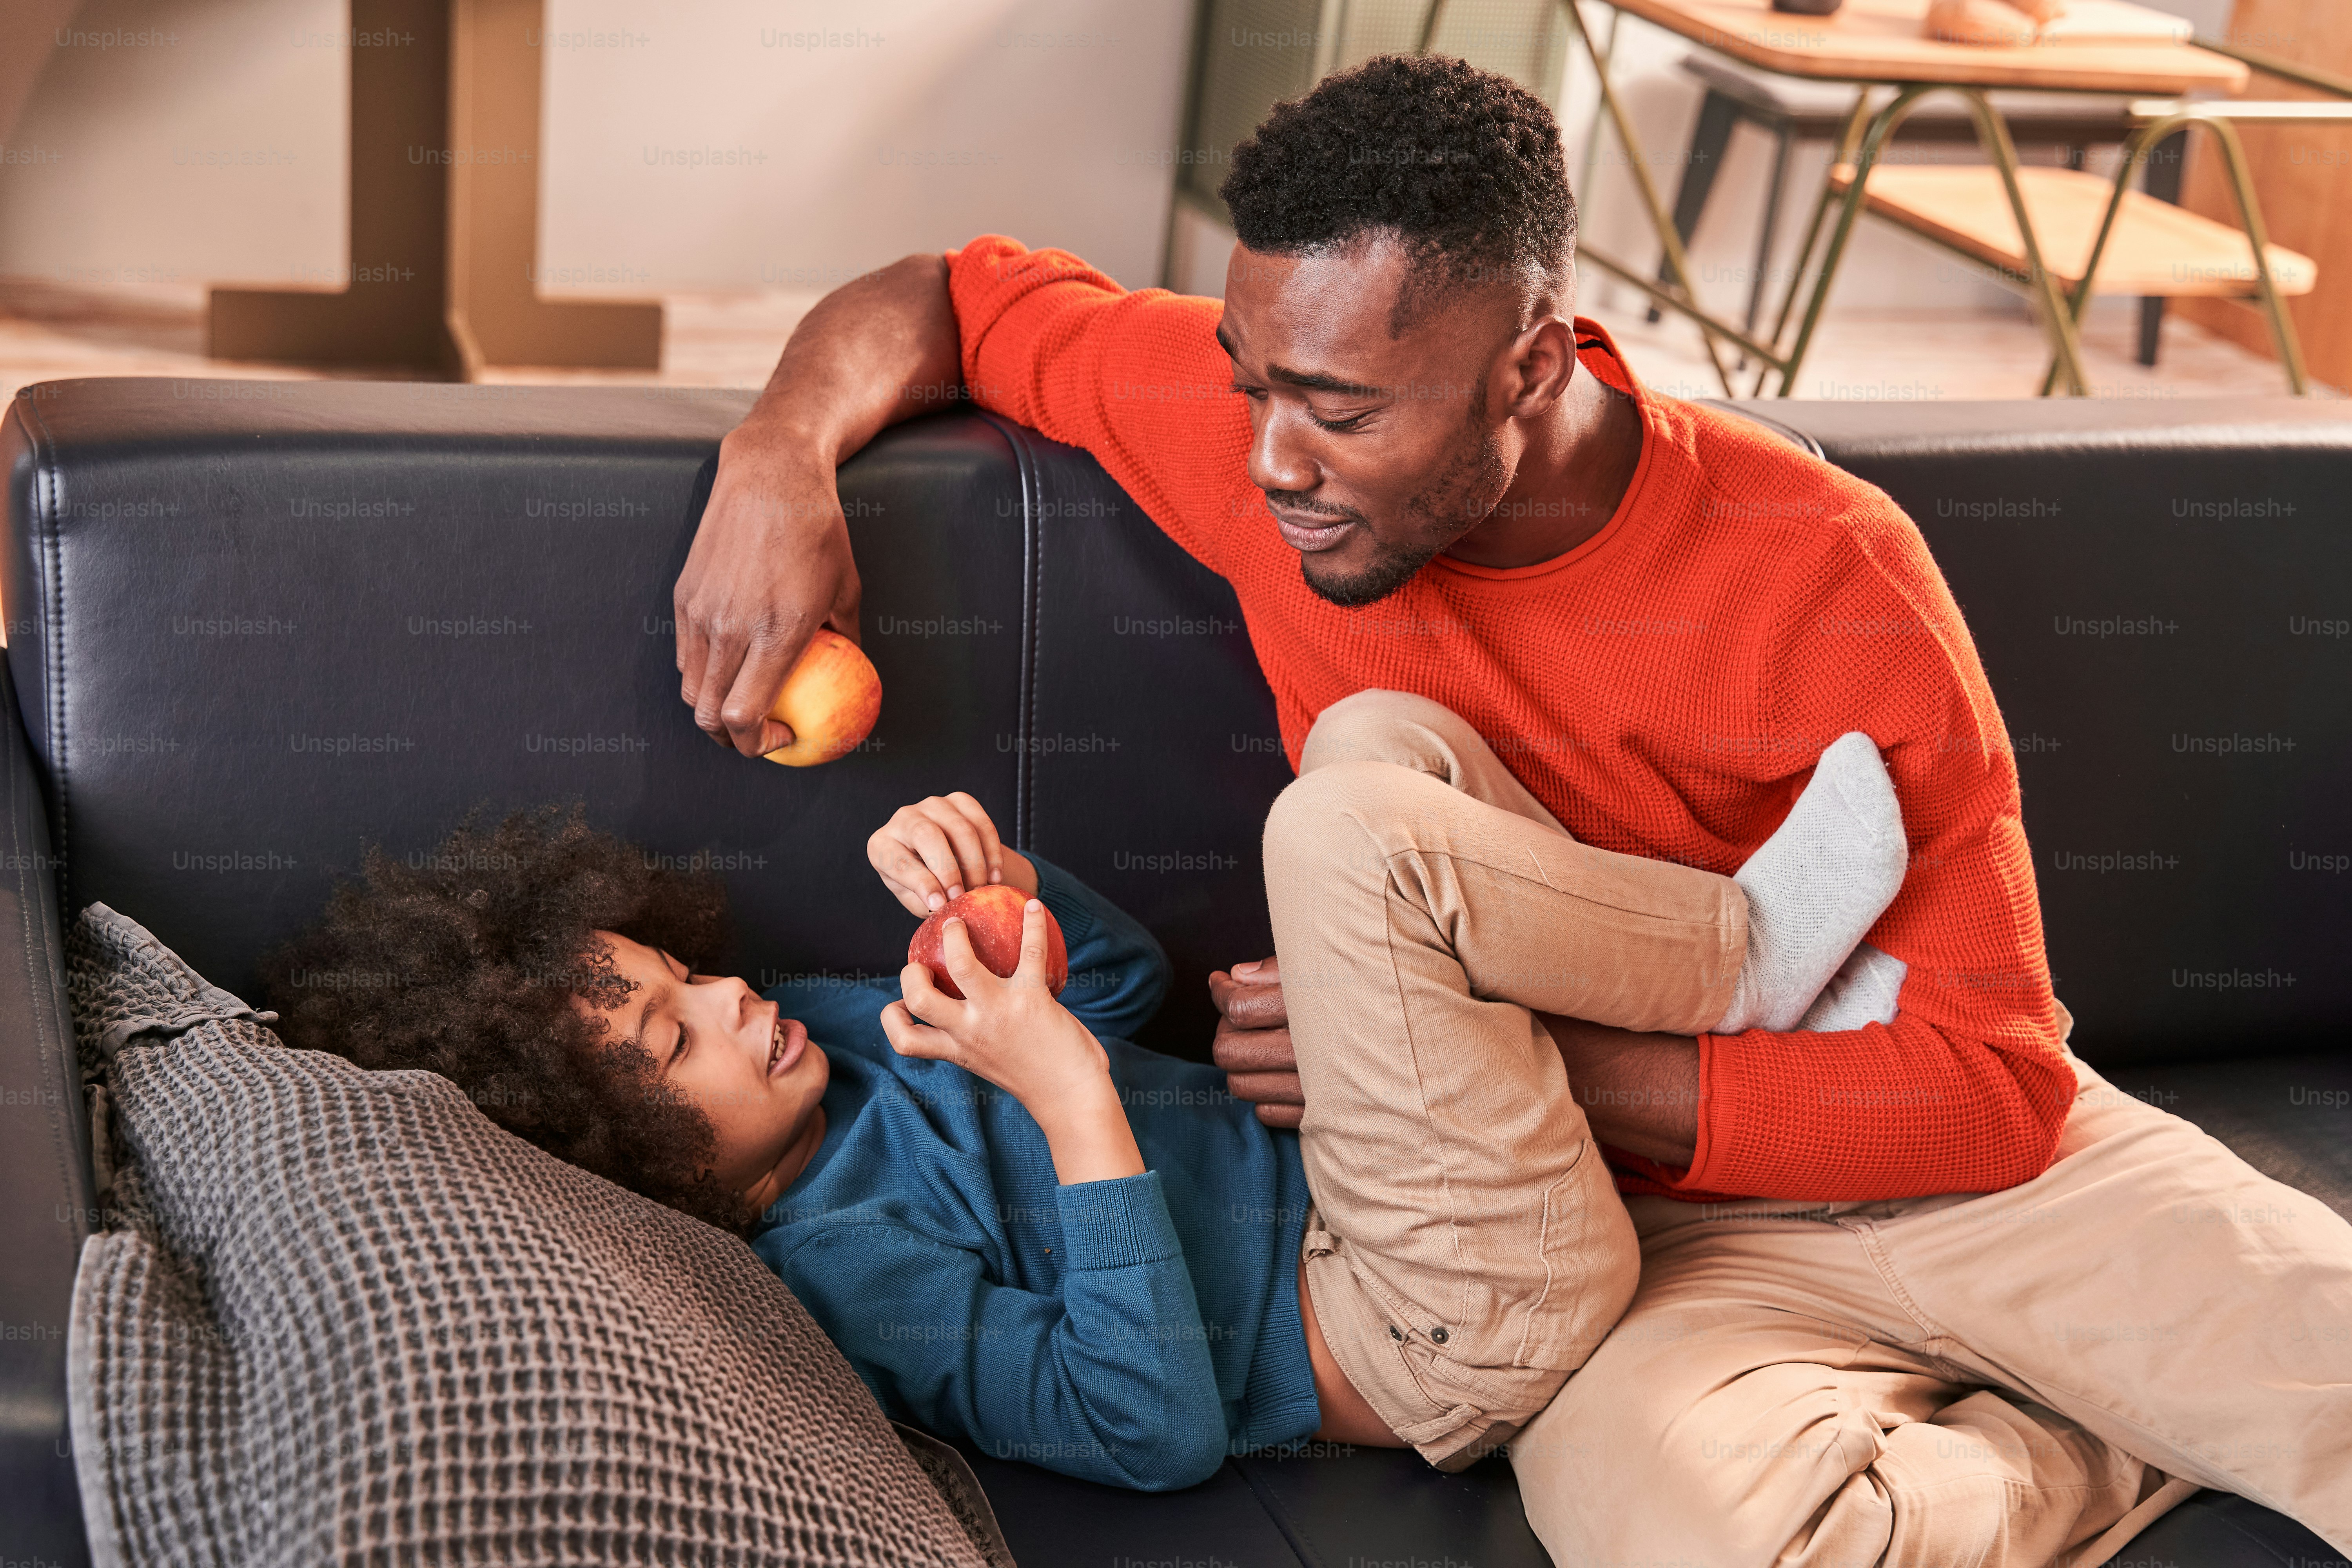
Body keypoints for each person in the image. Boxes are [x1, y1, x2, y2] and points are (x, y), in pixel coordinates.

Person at [669, 49, 2352, 1568]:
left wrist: (1441, 1055)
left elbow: (1986, 1093)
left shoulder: (1824, 569)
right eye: (1254, 385)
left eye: (1337, 410)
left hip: (1945, 1162)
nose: (1270, 461)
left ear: (1530, 366)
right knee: (1686, 1533)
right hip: (1619, 1247)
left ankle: (2144, 1382)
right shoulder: (1277, 432)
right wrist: (779, 456)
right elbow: (955, 295)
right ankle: (2086, 1446)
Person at [265, 745, 1904, 1492]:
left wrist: (1014, 902)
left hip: (1375, 1171)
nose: (733, 1000)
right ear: (630, 1158)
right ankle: (1740, 971)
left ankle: (1731, 998)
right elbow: (1150, 1430)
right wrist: (1063, 1099)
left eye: (684, 968)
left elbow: (1118, 998)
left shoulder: (822, 1038)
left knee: (1378, 746)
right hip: (1429, 1320)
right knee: (1351, 838)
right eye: (670, 1032)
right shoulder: (848, 1269)